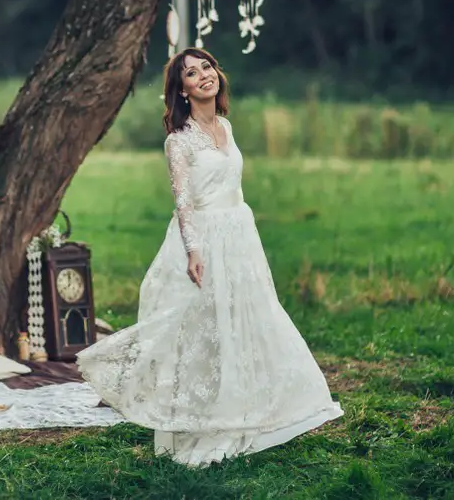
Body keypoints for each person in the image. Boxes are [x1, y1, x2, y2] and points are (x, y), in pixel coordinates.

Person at [76, 47, 343, 467]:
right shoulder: (177, 142)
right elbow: (183, 202)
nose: (203, 75)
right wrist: (194, 252)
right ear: (181, 90)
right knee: (202, 328)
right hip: (204, 240)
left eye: (207, 67)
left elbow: (233, 188)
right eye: (191, 72)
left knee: (248, 320)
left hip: (240, 235)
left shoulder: (227, 126)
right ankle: (201, 420)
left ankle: (250, 412)